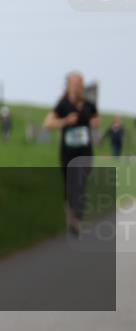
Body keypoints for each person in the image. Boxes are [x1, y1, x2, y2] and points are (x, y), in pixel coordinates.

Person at [44, 72, 99, 234]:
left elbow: (96, 121)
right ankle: (72, 219)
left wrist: (94, 122)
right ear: (68, 85)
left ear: (82, 85)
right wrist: (65, 121)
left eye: (79, 83)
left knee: (81, 183)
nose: (76, 86)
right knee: (70, 184)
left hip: (85, 151)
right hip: (68, 151)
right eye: (73, 83)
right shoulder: (62, 104)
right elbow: (47, 123)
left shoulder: (89, 105)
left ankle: (78, 216)